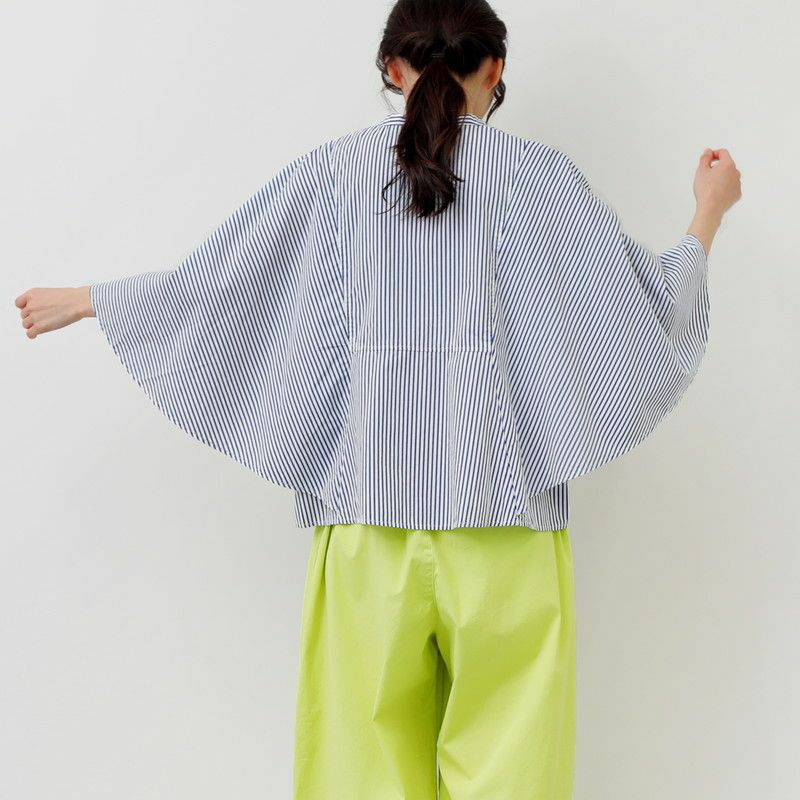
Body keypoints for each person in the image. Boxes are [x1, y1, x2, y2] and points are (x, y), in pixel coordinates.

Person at [14, 0, 741, 796]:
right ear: (494, 69)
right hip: (507, 535)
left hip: (365, 533)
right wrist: (707, 213)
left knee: (354, 780)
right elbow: (645, 315)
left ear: (393, 68)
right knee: (514, 779)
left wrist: (96, 300)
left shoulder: (333, 175)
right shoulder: (539, 179)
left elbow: (222, 286)